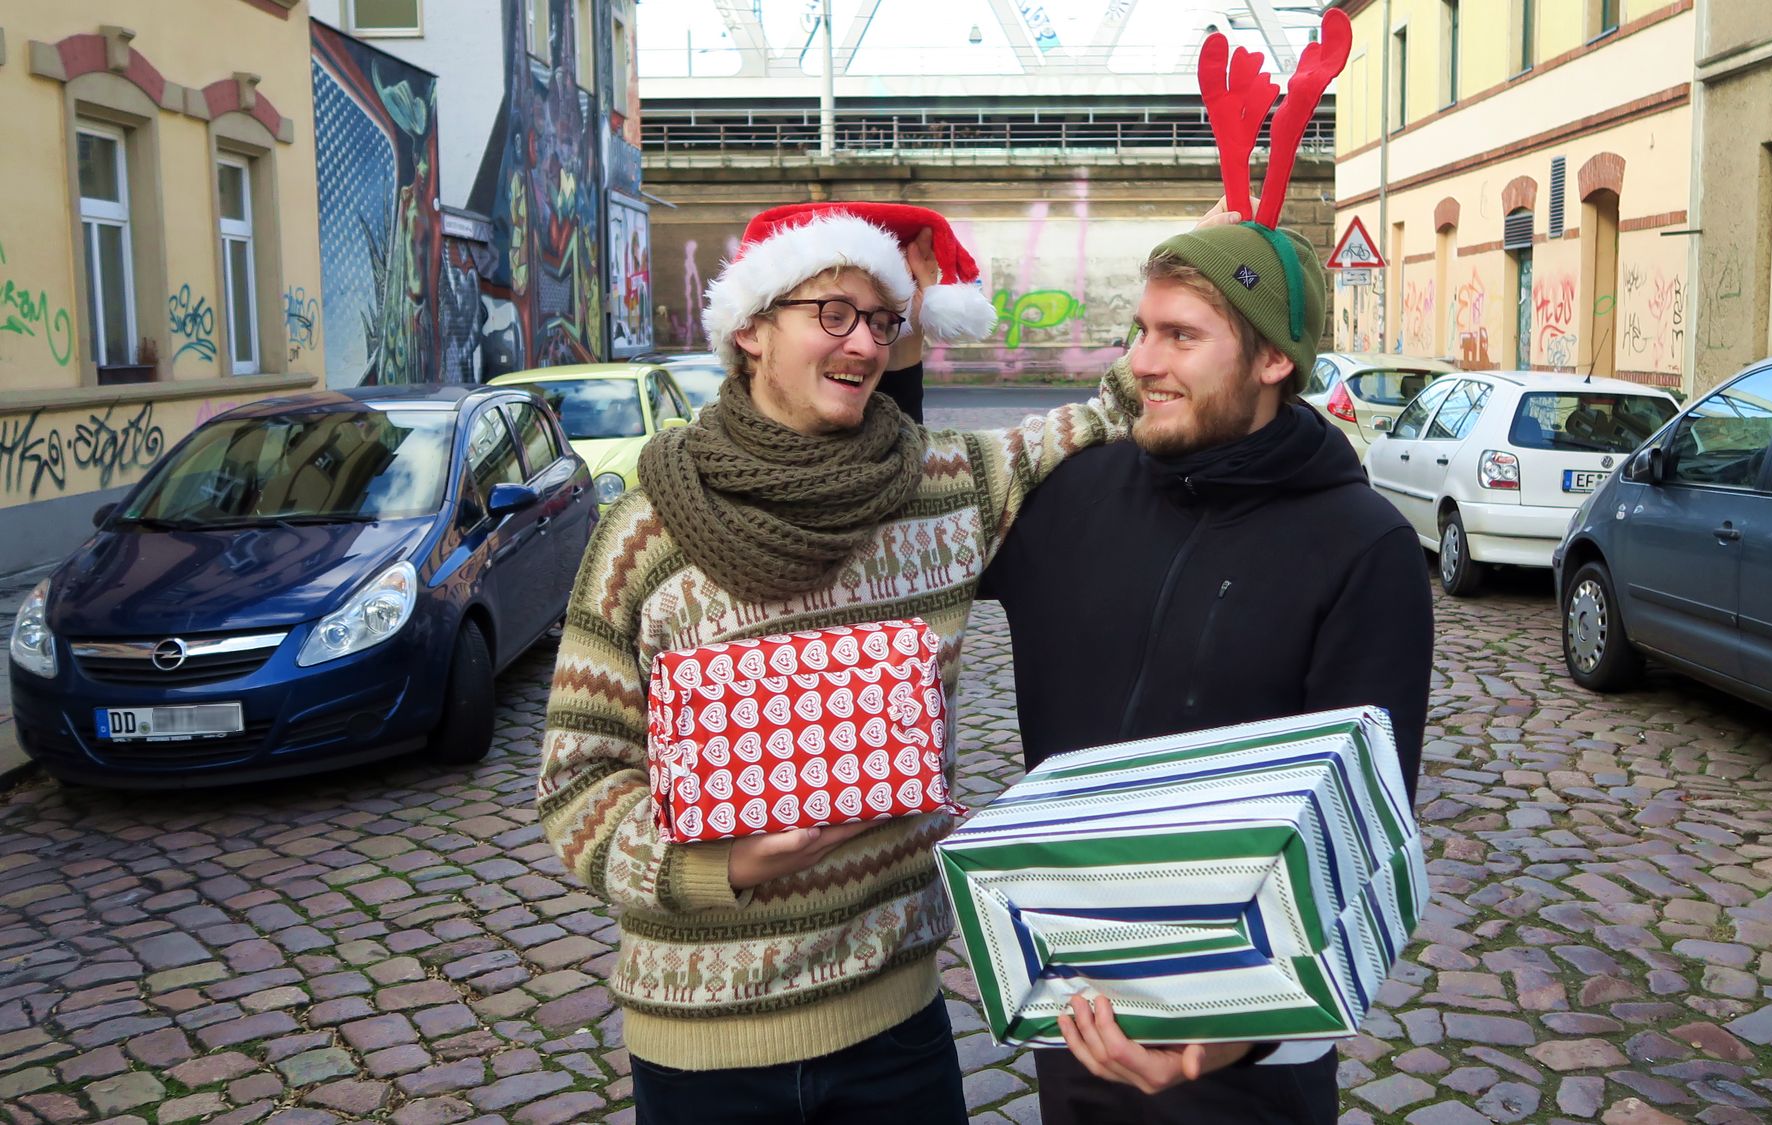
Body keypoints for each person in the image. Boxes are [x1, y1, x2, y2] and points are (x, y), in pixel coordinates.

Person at [536, 200, 1143, 1125]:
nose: (863, 344)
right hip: (705, 1043)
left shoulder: (939, 490)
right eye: (833, 313)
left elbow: (1107, 413)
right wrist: (721, 868)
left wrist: (1196, 265)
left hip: (894, 1026)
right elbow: (577, 787)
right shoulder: (646, 535)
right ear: (749, 327)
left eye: (882, 319)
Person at [978, 213, 1436, 1125]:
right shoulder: (1069, 497)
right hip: (1079, 1008)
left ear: (1273, 360)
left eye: (1181, 336)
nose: (1142, 363)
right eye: (1141, 331)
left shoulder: (1363, 546)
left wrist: (1239, 1036)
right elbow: (896, 514)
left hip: (1248, 1053)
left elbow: (1360, 832)